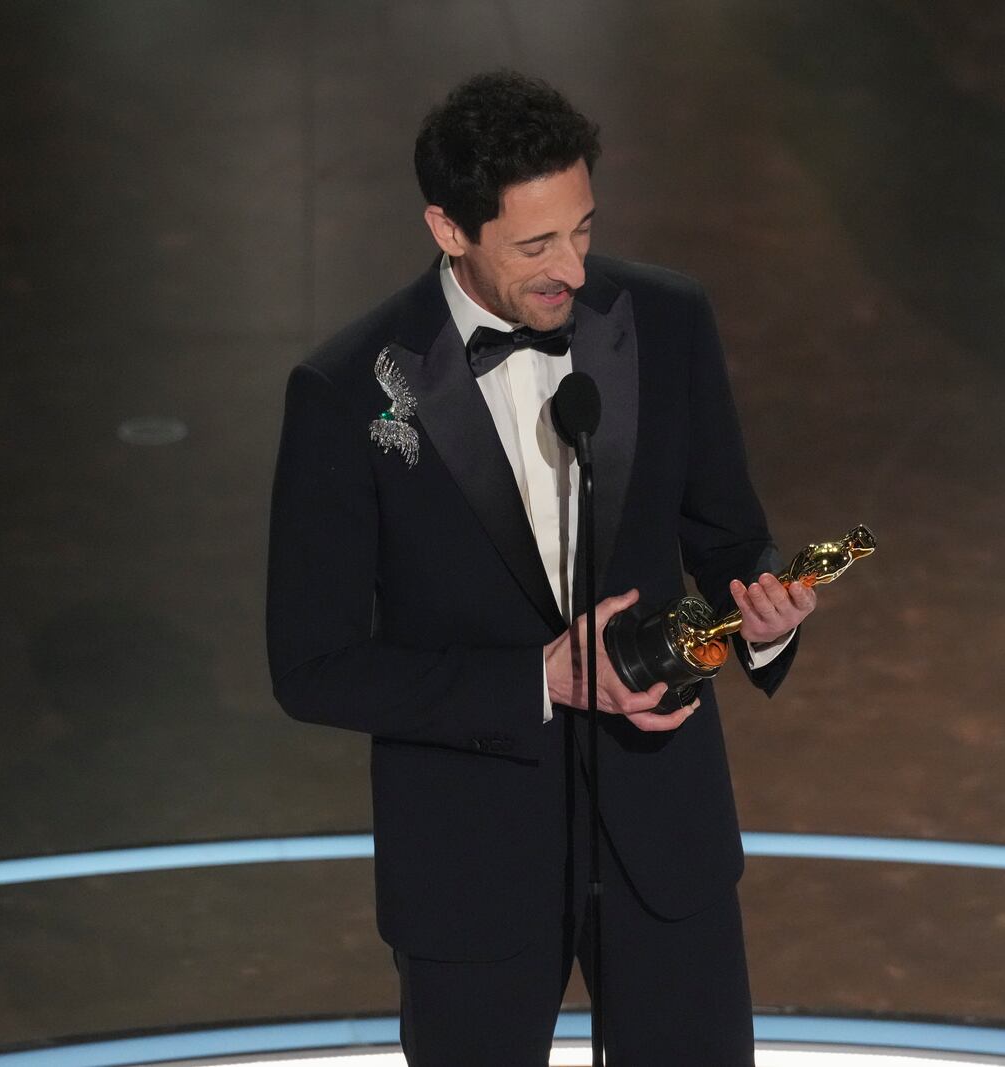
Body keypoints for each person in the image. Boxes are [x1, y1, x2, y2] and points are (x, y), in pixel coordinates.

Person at [266, 70, 817, 1066]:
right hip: (471, 855)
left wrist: (764, 616)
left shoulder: (665, 322)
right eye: (535, 244)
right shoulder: (348, 393)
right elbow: (314, 664)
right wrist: (541, 678)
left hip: (663, 831)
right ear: (447, 228)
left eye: (583, 228)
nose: (571, 266)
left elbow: (729, 535)